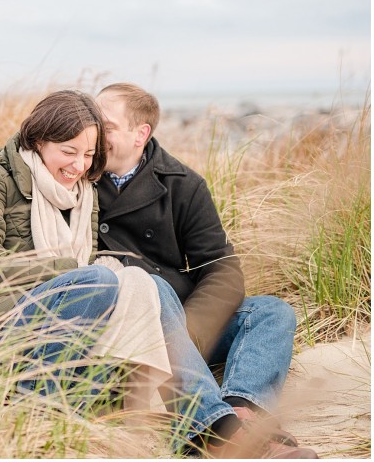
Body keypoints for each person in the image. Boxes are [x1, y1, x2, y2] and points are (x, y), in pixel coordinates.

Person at [93, 82, 318, 458]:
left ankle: (243, 412)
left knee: (270, 312)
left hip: (179, 319)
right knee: (150, 288)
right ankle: (212, 433)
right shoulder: (76, 173)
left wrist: (190, 332)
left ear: (140, 134)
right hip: (121, 324)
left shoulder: (183, 185)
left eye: (107, 126)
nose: (95, 135)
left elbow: (222, 269)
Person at [0, 90, 172, 415]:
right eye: (69, 151)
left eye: (88, 154)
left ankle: (207, 421)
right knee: (95, 279)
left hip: (55, 332)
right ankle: (35, 409)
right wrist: (69, 270)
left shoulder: (84, 195)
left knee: (152, 287)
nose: (79, 165)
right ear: (39, 140)